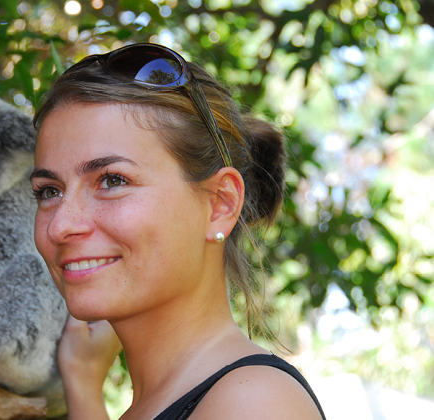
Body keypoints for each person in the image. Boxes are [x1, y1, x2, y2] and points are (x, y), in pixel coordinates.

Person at [30, 43, 326, 420]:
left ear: (219, 204)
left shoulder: (253, 404)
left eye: (112, 180)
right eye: (49, 191)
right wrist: (83, 381)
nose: (60, 225)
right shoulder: (169, 403)